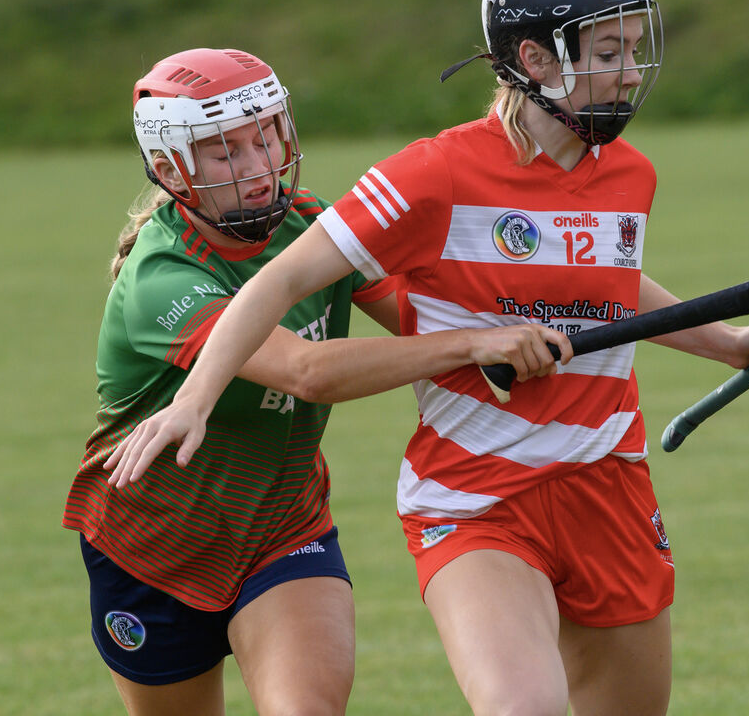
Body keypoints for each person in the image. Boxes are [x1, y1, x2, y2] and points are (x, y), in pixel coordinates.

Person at [110, 0, 749, 716]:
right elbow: (277, 286)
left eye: (636, 50)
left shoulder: (629, 176)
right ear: (535, 59)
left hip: (609, 481)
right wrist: (196, 401)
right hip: (476, 496)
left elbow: (605, 288)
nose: (632, 71)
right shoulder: (431, 174)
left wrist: (729, 343)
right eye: (609, 53)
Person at [62, 46, 571, 716]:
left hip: (282, 530)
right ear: (169, 168)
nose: (258, 167)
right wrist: (475, 343)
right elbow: (307, 372)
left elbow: (423, 316)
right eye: (225, 152)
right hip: (149, 550)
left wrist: (539, 308)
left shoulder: (311, 225)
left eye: (265, 137)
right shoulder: (161, 278)